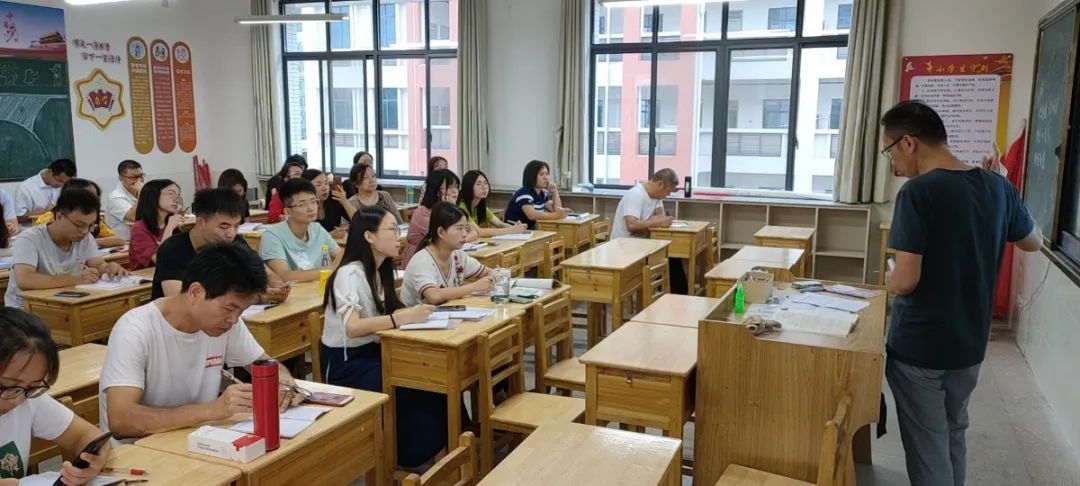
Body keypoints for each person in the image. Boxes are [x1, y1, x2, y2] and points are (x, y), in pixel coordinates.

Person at [880, 101, 1042, 486]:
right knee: (953, 430)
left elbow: (905, 281)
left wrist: (888, 280)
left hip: (920, 345)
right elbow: (1033, 241)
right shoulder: (998, 186)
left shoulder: (918, 193)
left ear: (908, 143)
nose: (892, 162)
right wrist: (1004, 184)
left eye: (889, 151)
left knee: (928, 444)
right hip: (969, 343)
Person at [99, 244, 305, 442]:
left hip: (197, 440)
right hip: (140, 451)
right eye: (229, 308)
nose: (234, 320)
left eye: (241, 311)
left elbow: (265, 364)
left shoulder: (228, 323)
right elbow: (121, 421)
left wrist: (283, 383)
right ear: (196, 292)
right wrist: (212, 410)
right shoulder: (135, 329)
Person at [320, 206, 448, 468]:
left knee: (436, 378)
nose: (399, 236)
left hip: (376, 353)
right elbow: (353, 328)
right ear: (369, 237)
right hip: (348, 364)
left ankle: (439, 455)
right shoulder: (349, 273)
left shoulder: (382, 271)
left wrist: (415, 314)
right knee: (415, 385)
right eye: (392, 229)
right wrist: (399, 319)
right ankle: (410, 457)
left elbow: (392, 310)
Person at [0, 307, 110, 483]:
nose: (18, 400)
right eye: (7, 386)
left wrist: (92, 462)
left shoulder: (29, 400)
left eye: (33, 386)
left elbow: (88, 436)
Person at [153, 188, 288, 302]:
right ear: (200, 223)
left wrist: (277, 285)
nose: (231, 233)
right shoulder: (171, 250)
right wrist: (257, 297)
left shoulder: (234, 242)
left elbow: (266, 273)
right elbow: (182, 301)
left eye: (236, 226)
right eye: (224, 226)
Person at [5, 188, 129, 308]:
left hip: (65, 304)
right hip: (26, 309)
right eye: (79, 225)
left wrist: (110, 268)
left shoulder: (85, 238)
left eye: (91, 225)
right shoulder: (29, 239)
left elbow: (98, 264)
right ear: (59, 216)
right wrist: (75, 279)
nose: (85, 231)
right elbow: (25, 279)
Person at [609, 169, 687, 294]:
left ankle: (675, 295)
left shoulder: (656, 196)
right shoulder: (636, 195)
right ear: (660, 184)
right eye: (667, 191)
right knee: (668, 258)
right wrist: (653, 222)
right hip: (625, 247)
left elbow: (660, 217)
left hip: (641, 243)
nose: (667, 196)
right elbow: (632, 225)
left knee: (673, 254)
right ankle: (669, 296)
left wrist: (646, 223)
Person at [402, 202, 494, 306]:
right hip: (418, 316)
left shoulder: (458, 255)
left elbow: (488, 272)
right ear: (441, 232)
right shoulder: (422, 261)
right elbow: (434, 296)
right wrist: (474, 287)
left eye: (466, 229)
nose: (464, 234)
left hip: (446, 314)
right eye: (459, 228)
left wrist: (490, 278)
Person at [259, 178, 342, 283]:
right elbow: (284, 276)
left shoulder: (317, 229)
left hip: (316, 290)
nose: (311, 208)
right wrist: (329, 269)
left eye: (313, 201)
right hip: (294, 292)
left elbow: (341, 255)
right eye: (302, 204)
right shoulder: (272, 236)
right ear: (288, 212)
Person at [34, 179, 125, 249]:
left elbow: (119, 240)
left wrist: (87, 243)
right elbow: (41, 244)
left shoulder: (91, 219)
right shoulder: (47, 219)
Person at [404, 170, 462, 266]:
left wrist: (452, 209)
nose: (455, 191)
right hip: (420, 262)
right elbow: (449, 237)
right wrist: (450, 209)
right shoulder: (422, 213)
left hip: (439, 258)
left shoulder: (451, 208)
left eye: (456, 187)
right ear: (436, 191)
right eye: (450, 187)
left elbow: (470, 232)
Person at [128, 180, 184, 271]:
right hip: (146, 277)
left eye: (178, 195)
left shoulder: (170, 223)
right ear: (153, 196)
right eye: (171, 194)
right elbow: (158, 259)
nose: (176, 199)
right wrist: (170, 227)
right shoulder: (139, 228)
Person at [457, 170, 525, 237]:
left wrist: (516, 228)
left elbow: (500, 224)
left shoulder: (479, 206)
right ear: (468, 187)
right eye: (478, 184)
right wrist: (511, 230)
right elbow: (479, 232)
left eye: (485, 183)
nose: (484, 187)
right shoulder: (461, 207)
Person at [504, 160, 567, 230]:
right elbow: (532, 215)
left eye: (547, 174)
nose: (546, 178)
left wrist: (554, 192)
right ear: (532, 176)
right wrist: (556, 215)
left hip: (529, 230)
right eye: (541, 174)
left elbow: (557, 210)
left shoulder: (542, 194)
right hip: (513, 231)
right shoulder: (524, 193)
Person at [15, 158, 76, 223]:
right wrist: (43, 214)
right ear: (50, 171)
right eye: (59, 181)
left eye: (65, 182)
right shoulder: (25, 187)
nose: (62, 185)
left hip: (58, 226)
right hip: (34, 228)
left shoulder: (65, 186)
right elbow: (18, 219)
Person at [301, 168, 351, 240]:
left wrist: (344, 201)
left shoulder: (334, 199)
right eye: (318, 185)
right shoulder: (301, 205)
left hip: (332, 244)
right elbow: (301, 237)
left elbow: (358, 219)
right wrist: (330, 235)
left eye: (326, 183)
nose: (325, 188)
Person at [105, 160, 144, 240]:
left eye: (141, 176)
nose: (139, 181)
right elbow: (134, 216)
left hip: (140, 238)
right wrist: (141, 192)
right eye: (134, 177)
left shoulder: (138, 192)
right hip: (123, 242)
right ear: (121, 178)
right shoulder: (115, 197)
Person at [266, 156, 306, 223]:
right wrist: (291, 217)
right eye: (297, 174)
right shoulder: (279, 194)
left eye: (302, 174)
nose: (301, 177)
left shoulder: (306, 193)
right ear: (286, 178)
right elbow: (272, 217)